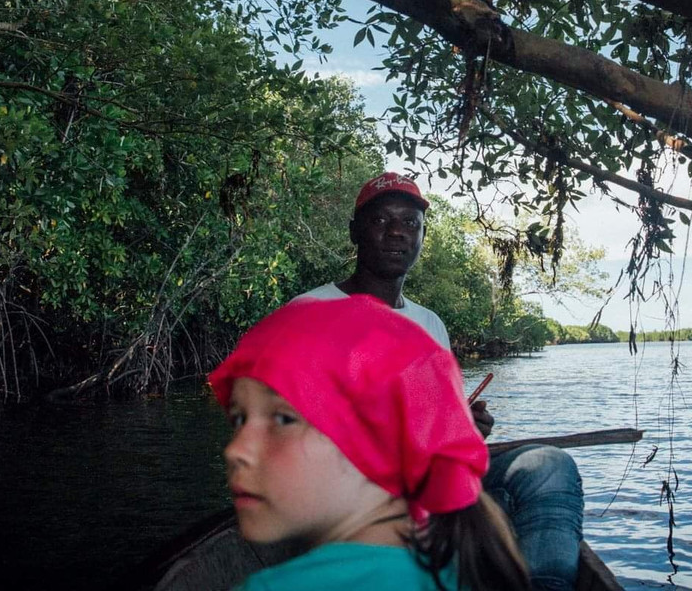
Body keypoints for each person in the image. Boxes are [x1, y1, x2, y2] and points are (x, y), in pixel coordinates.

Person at [295, 172, 585, 591]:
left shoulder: (430, 324)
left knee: (548, 466)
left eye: (411, 223)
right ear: (355, 231)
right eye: (381, 221)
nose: (397, 232)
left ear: (422, 237)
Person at [208, 294, 531, 591]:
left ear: (383, 442)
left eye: (283, 419)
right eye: (238, 419)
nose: (236, 449)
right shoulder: (463, 568)